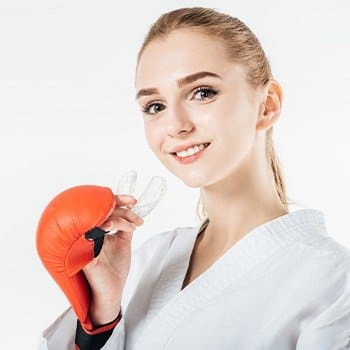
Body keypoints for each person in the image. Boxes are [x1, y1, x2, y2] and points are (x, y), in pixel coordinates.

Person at [38, 6, 350, 350]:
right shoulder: (151, 259)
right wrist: (100, 318)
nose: (176, 126)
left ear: (267, 105)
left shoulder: (333, 281)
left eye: (202, 92)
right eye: (155, 106)